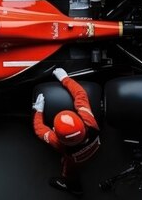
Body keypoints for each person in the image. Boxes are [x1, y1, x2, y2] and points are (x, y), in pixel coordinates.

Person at [32, 68, 101, 197]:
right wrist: (65, 78)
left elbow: (39, 130)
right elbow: (81, 94)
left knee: (68, 173)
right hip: (94, 150)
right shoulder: (91, 123)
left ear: (55, 132)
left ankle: (73, 188)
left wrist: (38, 111)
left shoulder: (58, 143)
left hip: (73, 162)